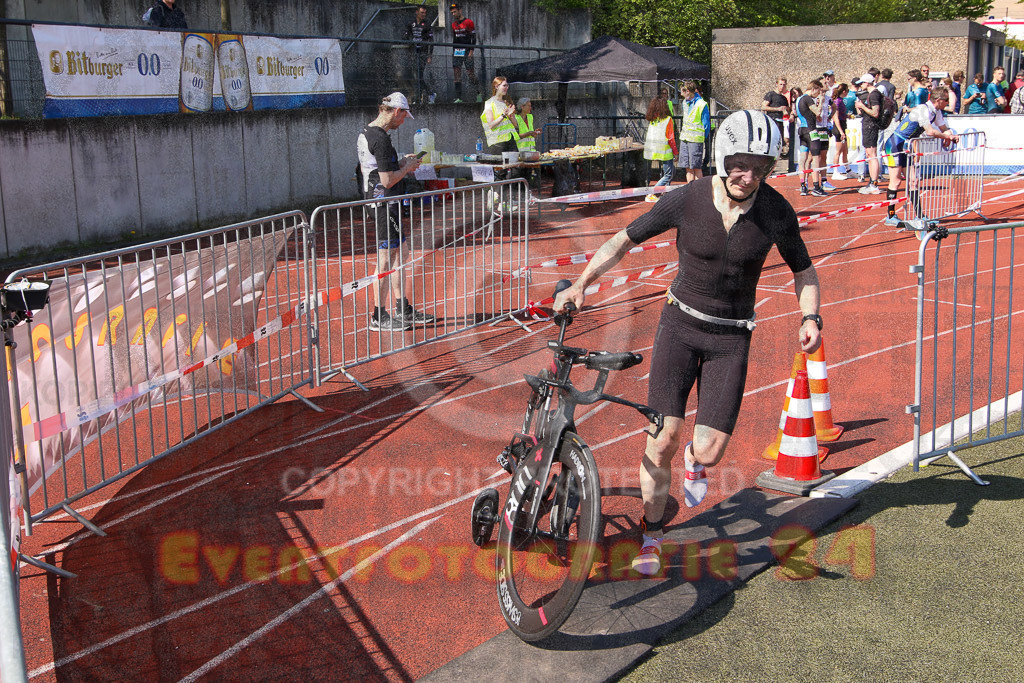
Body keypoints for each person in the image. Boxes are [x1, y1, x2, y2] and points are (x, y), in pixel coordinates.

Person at [552, 110, 822, 577]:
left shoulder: (776, 211)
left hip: (731, 338)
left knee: (709, 450)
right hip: (679, 327)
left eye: (759, 166)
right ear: (722, 158)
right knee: (662, 443)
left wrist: (810, 315)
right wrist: (581, 283)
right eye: (739, 163)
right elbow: (623, 239)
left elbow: (804, 268)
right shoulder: (688, 199)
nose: (748, 175)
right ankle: (652, 533)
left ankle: (696, 465)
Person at [357, 92, 436, 331]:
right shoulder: (380, 139)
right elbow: (388, 180)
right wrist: (408, 168)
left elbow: (379, 168)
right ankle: (378, 316)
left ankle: (402, 308)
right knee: (385, 259)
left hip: (382, 202)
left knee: (401, 253)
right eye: (403, 117)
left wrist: (402, 162)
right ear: (396, 112)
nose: (403, 122)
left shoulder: (367, 132)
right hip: (383, 204)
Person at [882, 87, 959, 226]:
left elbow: (943, 128)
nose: (947, 103)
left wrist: (949, 135)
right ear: (938, 100)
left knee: (914, 181)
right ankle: (890, 215)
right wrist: (946, 136)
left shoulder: (937, 112)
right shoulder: (924, 109)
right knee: (896, 181)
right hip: (894, 145)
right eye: (946, 100)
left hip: (907, 146)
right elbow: (930, 131)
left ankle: (920, 215)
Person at [643, 94, 678, 202]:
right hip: (665, 150)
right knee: (668, 174)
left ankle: (663, 192)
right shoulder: (668, 120)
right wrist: (676, 152)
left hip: (653, 149)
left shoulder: (653, 120)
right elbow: (671, 138)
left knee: (668, 172)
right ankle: (651, 193)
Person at [796, 79, 827, 196]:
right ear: (813, 89)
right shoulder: (807, 98)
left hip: (802, 131)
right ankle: (816, 186)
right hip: (811, 131)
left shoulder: (799, 98)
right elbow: (817, 112)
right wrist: (821, 102)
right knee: (816, 158)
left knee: (803, 159)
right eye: (817, 92)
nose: (818, 95)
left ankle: (803, 185)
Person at [855, 73, 884, 195]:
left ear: (867, 83)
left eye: (862, 83)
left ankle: (874, 183)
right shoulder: (871, 95)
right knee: (869, 154)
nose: (860, 85)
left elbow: (875, 112)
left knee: (872, 154)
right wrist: (860, 108)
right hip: (868, 125)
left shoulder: (874, 94)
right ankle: (872, 181)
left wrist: (862, 106)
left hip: (871, 126)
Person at [678, 80, 710, 185]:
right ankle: (690, 191)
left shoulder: (702, 104)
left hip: (696, 140)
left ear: (688, 91)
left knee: (696, 167)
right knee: (687, 167)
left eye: (682, 90)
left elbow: (706, 125)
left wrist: (701, 137)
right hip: (685, 138)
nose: (680, 93)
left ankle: (700, 191)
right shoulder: (684, 103)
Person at [403, 5, 434, 105]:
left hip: (423, 52)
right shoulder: (411, 23)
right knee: (416, 75)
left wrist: (430, 55)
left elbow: (431, 40)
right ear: (417, 12)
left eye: (425, 13)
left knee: (419, 74)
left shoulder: (427, 24)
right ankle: (428, 94)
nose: (424, 15)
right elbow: (405, 36)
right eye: (422, 13)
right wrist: (408, 43)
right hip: (414, 52)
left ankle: (420, 97)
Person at [449, 3, 478, 103]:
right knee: (457, 74)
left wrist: (471, 51)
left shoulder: (468, 22)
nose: (453, 14)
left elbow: (473, 37)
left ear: (460, 10)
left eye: (455, 12)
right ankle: (458, 97)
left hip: (466, 50)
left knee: (470, 73)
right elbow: (454, 39)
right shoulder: (453, 24)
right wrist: (453, 52)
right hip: (457, 51)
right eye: (452, 12)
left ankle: (478, 93)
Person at [830, 83, 850, 180]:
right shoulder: (837, 102)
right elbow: (836, 118)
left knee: (845, 149)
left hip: (843, 126)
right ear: (844, 91)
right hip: (839, 128)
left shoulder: (841, 101)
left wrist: (847, 116)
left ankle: (848, 170)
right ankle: (835, 172)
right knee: (838, 151)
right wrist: (841, 132)